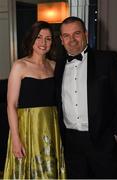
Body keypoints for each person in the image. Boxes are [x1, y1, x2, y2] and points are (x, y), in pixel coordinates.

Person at [55, 16, 117, 179]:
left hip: (103, 140)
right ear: (61, 40)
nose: (72, 40)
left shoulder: (107, 59)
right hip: (71, 141)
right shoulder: (58, 65)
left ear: (86, 34)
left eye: (76, 34)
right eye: (66, 36)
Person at [3, 21, 66, 179]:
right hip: (27, 128)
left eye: (48, 38)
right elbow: (11, 105)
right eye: (39, 37)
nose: (43, 43)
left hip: (51, 127)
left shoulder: (54, 66)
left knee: (49, 170)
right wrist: (16, 139)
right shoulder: (20, 66)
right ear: (31, 38)